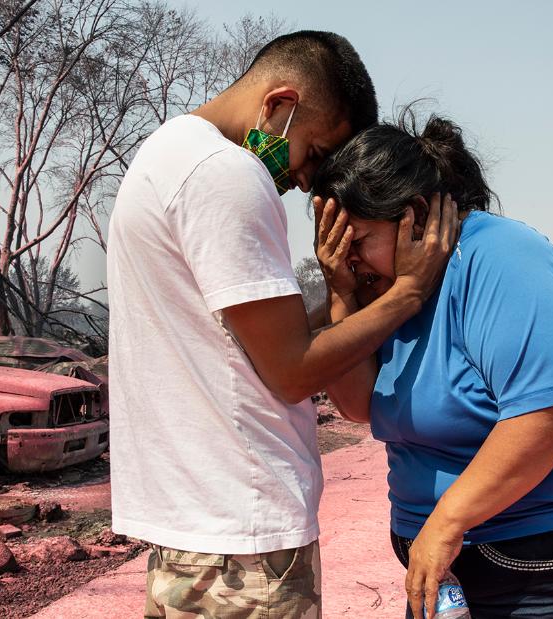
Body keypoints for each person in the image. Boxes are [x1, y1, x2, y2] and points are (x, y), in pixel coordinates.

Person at [106, 33, 459, 618]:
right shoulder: (227, 175)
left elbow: (243, 345)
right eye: (317, 153)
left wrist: (342, 293)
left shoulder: (166, 153)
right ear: (280, 104)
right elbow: (293, 372)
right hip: (244, 538)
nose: (304, 180)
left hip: (196, 529)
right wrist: (408, 292)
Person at [311, 112, 553, 619]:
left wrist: (444, 523)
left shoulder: (503, 257)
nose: (348, 258)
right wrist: (341, 292)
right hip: (451, 568)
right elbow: (359, 405)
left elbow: (550, 412)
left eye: (357, 241)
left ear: (411, 215)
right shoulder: (395, 291)